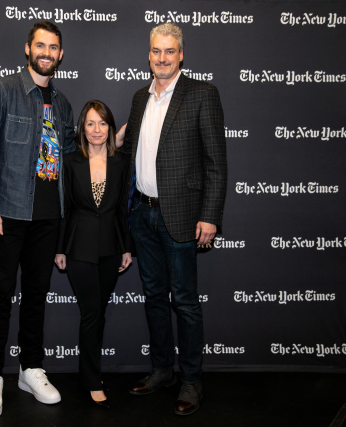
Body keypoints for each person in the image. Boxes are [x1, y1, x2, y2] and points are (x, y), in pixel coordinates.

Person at [116, 23, 227, 416]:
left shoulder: (202, 94)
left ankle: (192, 380)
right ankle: (162, 368)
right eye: (155, 51)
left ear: (181, 55)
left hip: (181, 217)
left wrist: (210, 216)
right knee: (154, 298)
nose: (162, 58)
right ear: (148, 55)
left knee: (185, 301)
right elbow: (129, 155)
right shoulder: (137, 98)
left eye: (169, 51)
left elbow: (216, 163)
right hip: (142, 216)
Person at [0, 21, 76, 419]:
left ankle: (30, 369)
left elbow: (71, 157)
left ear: (61, 55)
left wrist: (110, 142)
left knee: (36, 297)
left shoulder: (62, 104)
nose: (47, 52)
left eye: (54, 47)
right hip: (7, 212)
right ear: (27, 49)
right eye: (40, 46)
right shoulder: (2, 90)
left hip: (48, 216)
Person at [55, 100, 133, 409]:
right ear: (82, 129)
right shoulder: (70, 161)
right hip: (78, 247)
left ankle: (90, 372)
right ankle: (90, 379)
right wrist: (60, 248)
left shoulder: (121, 162)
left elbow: (124, 210)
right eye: (90, 123)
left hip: (111, 248)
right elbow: (65, 208)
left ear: (110, 128)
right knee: (90, 314)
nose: (96, 129)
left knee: (98, 313)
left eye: (102, 123)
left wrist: (127, 247)